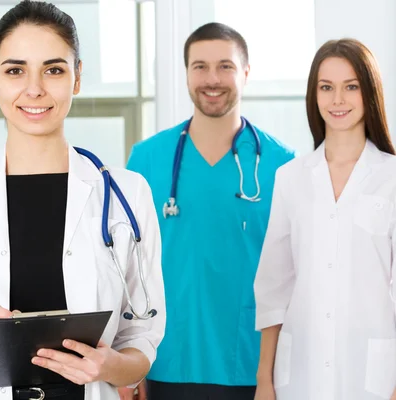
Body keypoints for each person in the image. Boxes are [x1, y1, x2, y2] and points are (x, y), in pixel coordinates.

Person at [0, 1, 166, 399]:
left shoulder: (127, 194)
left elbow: (142, 339)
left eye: (54, 69)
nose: (34, 88)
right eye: (14, 70)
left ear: (77, 78)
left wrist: (110, 366)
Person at [121, 23, 296, 400]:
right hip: (165, 362)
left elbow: (294, 277)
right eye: (200, 66)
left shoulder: (284, 166)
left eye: (225, 66)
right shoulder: (147, 160)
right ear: (186, 73)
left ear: (246, 73)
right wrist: (126, 365)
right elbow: (124, 269)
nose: (212, 79)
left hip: (252, 366)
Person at [254, 38, 396, 400]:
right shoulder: (290, 177)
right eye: (326, 87)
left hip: (373, 373)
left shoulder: (391, 177)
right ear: (313, 95)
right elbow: (274, 287)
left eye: (351, 87)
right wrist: (264, 380)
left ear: (370, 92)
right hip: (299, 372)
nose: (337, 100)